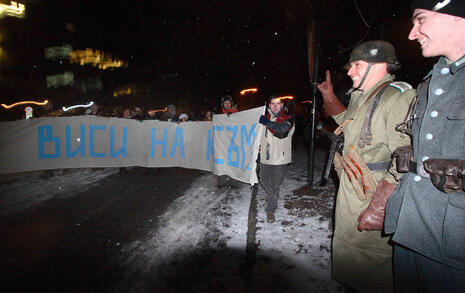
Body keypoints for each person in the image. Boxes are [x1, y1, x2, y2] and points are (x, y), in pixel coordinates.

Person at [317, 40, 415, 293]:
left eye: (357, 65)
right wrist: (328, 96)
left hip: (374, 191)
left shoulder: (396, 97)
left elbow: (406, 157)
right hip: (354, 186)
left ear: (380, 65)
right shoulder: (363, 94)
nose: (350, 72)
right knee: (353, 259)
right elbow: (346, 122)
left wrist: (379, 206)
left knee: (372, 263)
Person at [384, 2, 465, 292]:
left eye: (421, 20)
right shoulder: (435, 78)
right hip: (412, 229)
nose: (412, 33)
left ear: (457, 16)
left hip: (455, 245)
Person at [258, 96, 295, 223]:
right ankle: (273, 196)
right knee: (263, 179)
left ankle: (270, 210)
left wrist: (266, 123)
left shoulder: (288, 118)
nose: (275, 106)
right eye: (272, 103)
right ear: (269, 105)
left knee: (275, 185)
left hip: (280, 158)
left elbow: (281, 132)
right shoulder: (263, 116)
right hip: (265, 157)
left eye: (277, 103)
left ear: (282, 105)